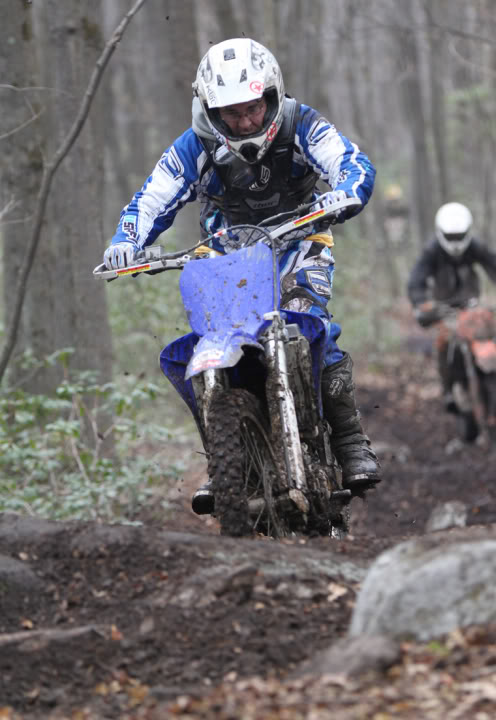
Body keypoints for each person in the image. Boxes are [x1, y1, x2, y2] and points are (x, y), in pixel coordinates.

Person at [103, 37, 381, 513]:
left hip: (300, 240)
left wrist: (347, 189)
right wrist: (126, 241)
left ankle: (350, 440)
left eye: (253, 108)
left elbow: (349, 160)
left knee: (308, 321)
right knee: (211, 338)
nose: (247, 122)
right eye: (232, 113)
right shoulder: (195, 145)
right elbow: (151, 199)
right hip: (226, 251)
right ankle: (225, 460)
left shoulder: (300, 123)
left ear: (271, 95)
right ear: (212, 112)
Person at [407, 201, 496, 411]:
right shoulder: (432, 251)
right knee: (443, 342)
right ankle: (448, 390)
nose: (456, 241)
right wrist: (421, 303)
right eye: (451, 236)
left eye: (460, 236)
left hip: (472, 303)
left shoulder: (474, 246)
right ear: (441, 232)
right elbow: (416, 280)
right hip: (443, 307)